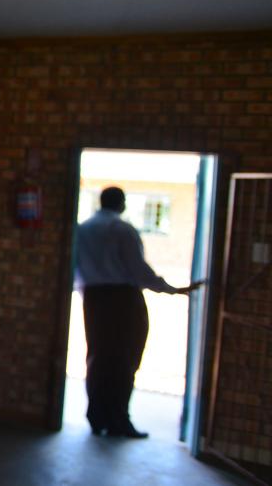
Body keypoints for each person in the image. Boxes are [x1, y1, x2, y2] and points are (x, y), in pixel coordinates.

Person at [74, 186, 204, 438]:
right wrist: (169, 289)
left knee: (98, 359)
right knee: (124, 361)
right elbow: (138, 270)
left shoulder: (83, 228)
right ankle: (118, 420)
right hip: (122, 300)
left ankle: (97, 416)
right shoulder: (123, 230)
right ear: (121, 203)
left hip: (94, 299)